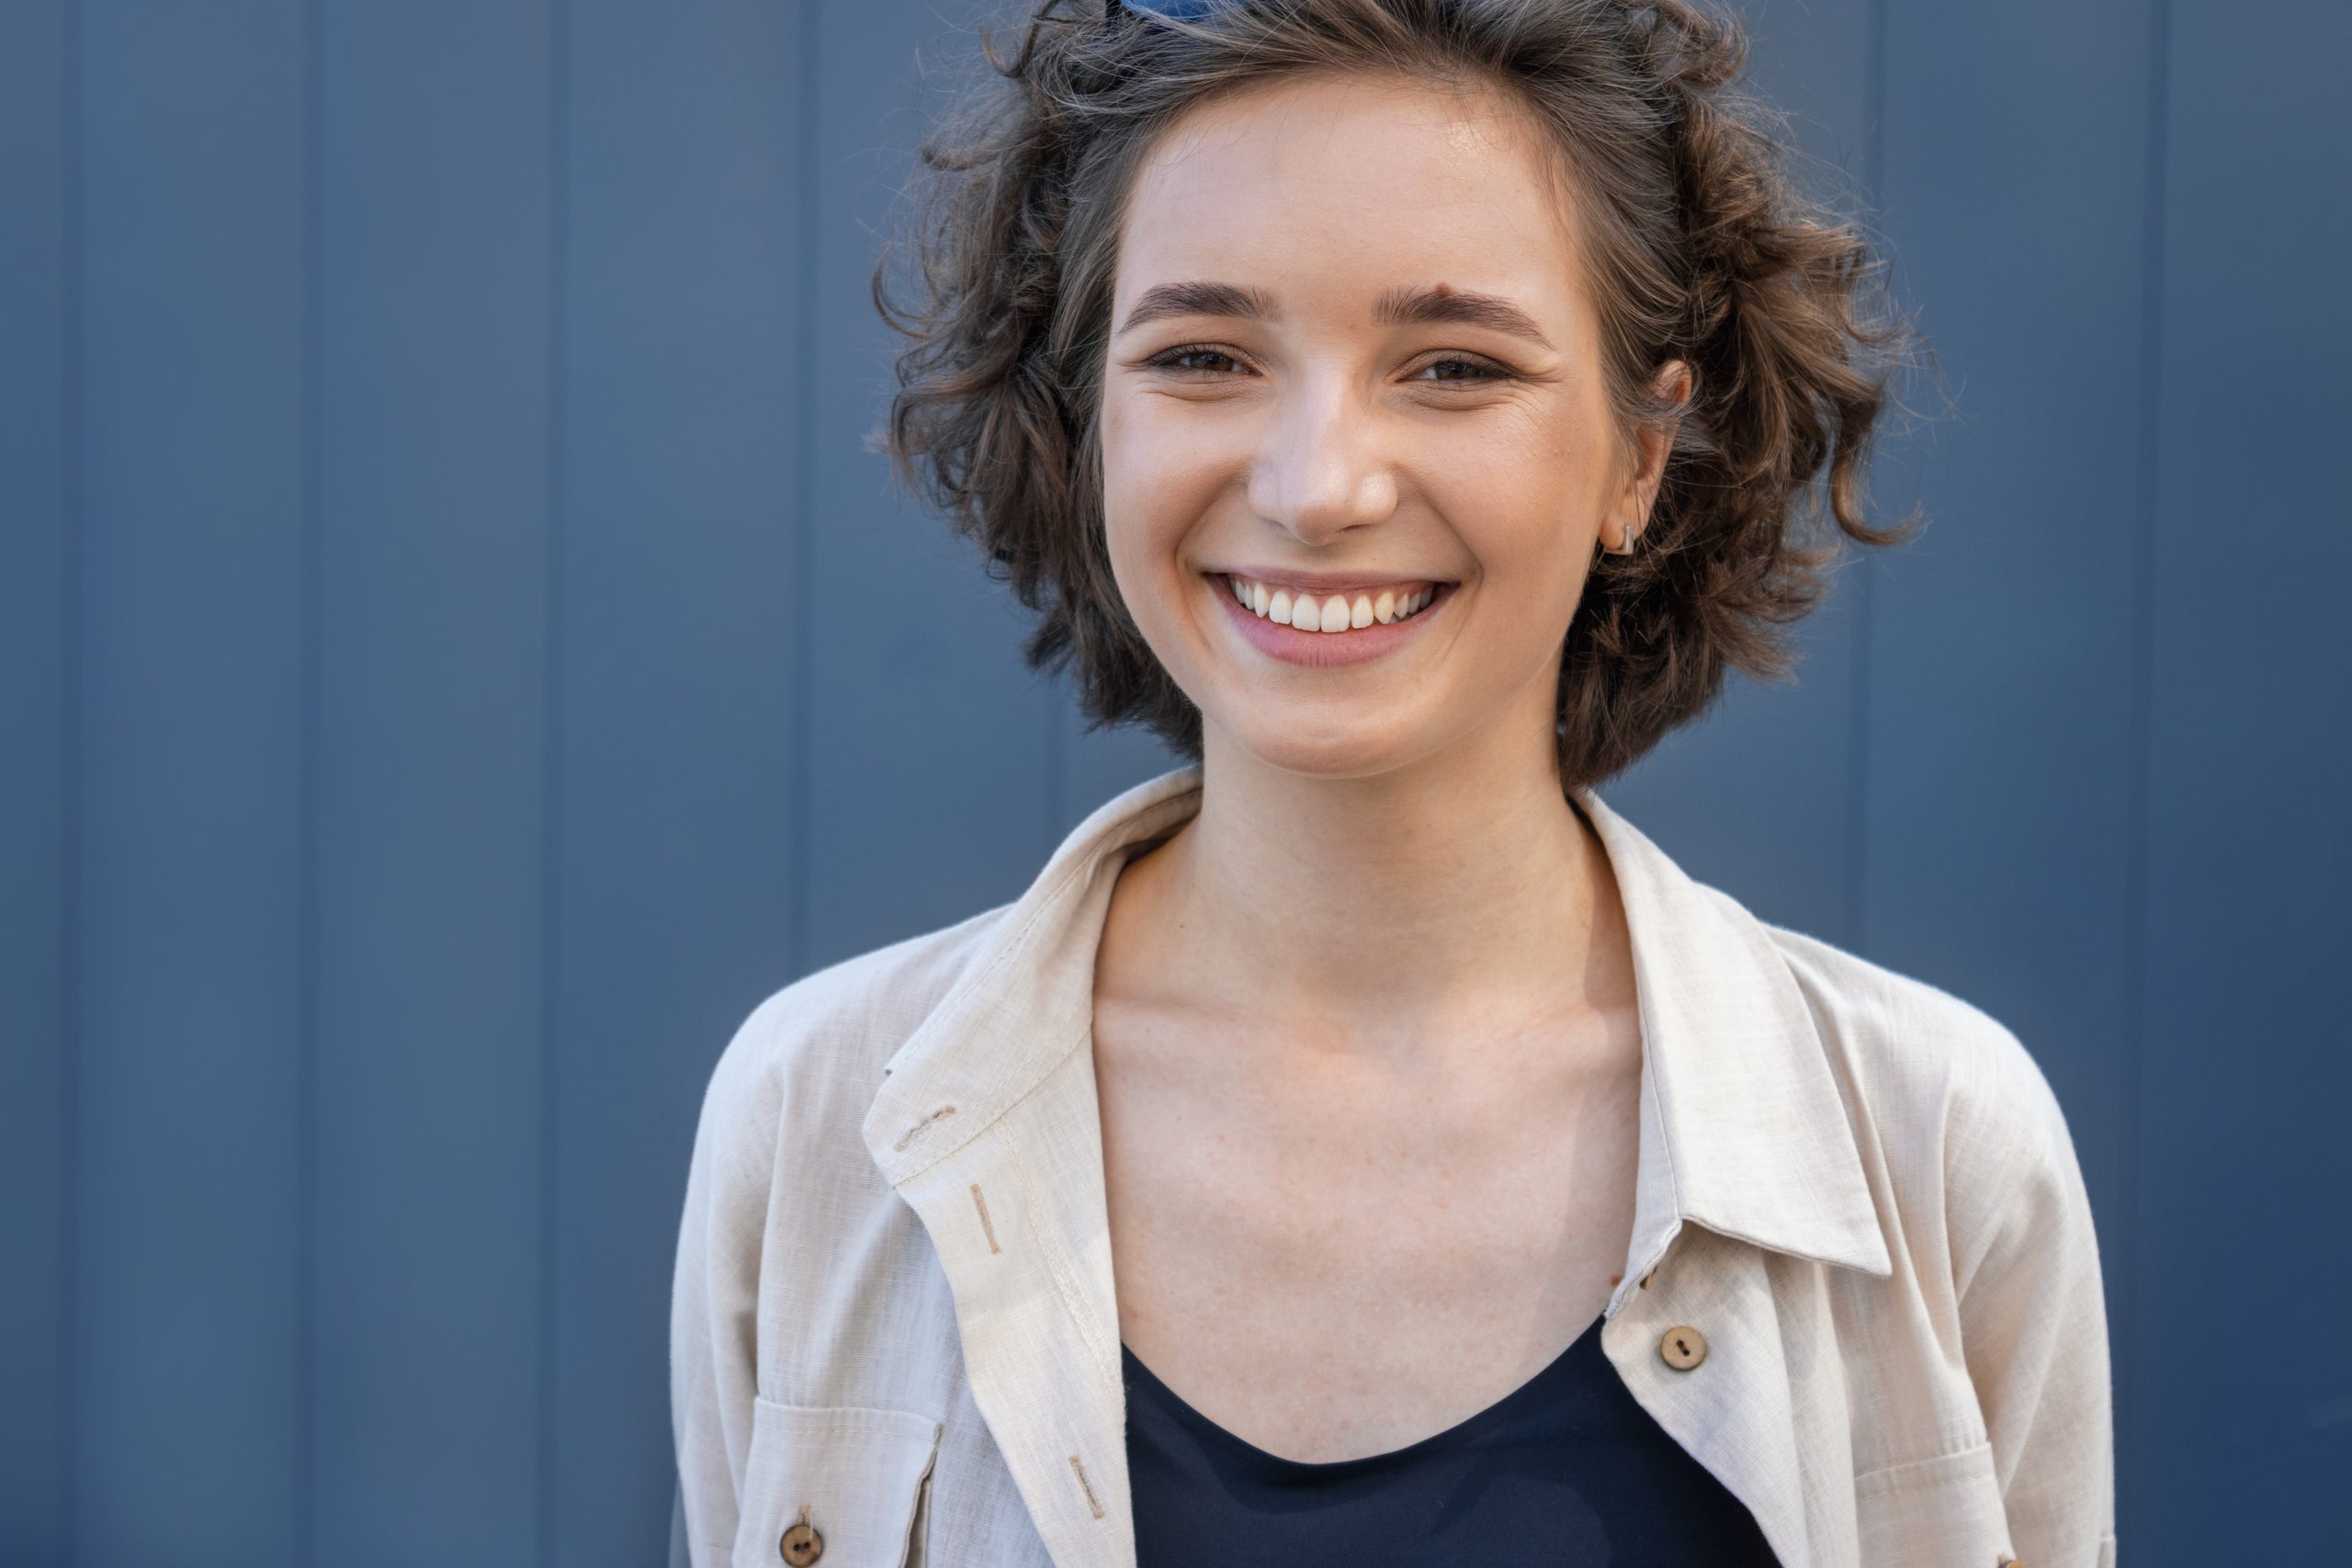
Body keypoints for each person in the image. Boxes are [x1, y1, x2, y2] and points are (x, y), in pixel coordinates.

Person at [670, 1, 2117, 1564]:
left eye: (1451, 365)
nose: (1318, 486)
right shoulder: (822, 1119)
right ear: (1092, 419)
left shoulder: (1933, 1148)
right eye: (1206, 355)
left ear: (1641, 454)